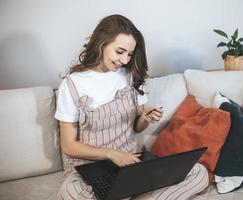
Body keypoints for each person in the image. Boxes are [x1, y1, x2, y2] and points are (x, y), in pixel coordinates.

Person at [55, 14, 208, 200]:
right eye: (119, 51)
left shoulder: (131, 76)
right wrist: (111, 154)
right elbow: (69, 146)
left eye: (129, 54)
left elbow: (136, 127)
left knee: (199, 172)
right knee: (71, 193)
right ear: (101, 43)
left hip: (131, 163)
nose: (125, 60)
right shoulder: (72, 85)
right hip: (90, 167)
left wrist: (145, 118)